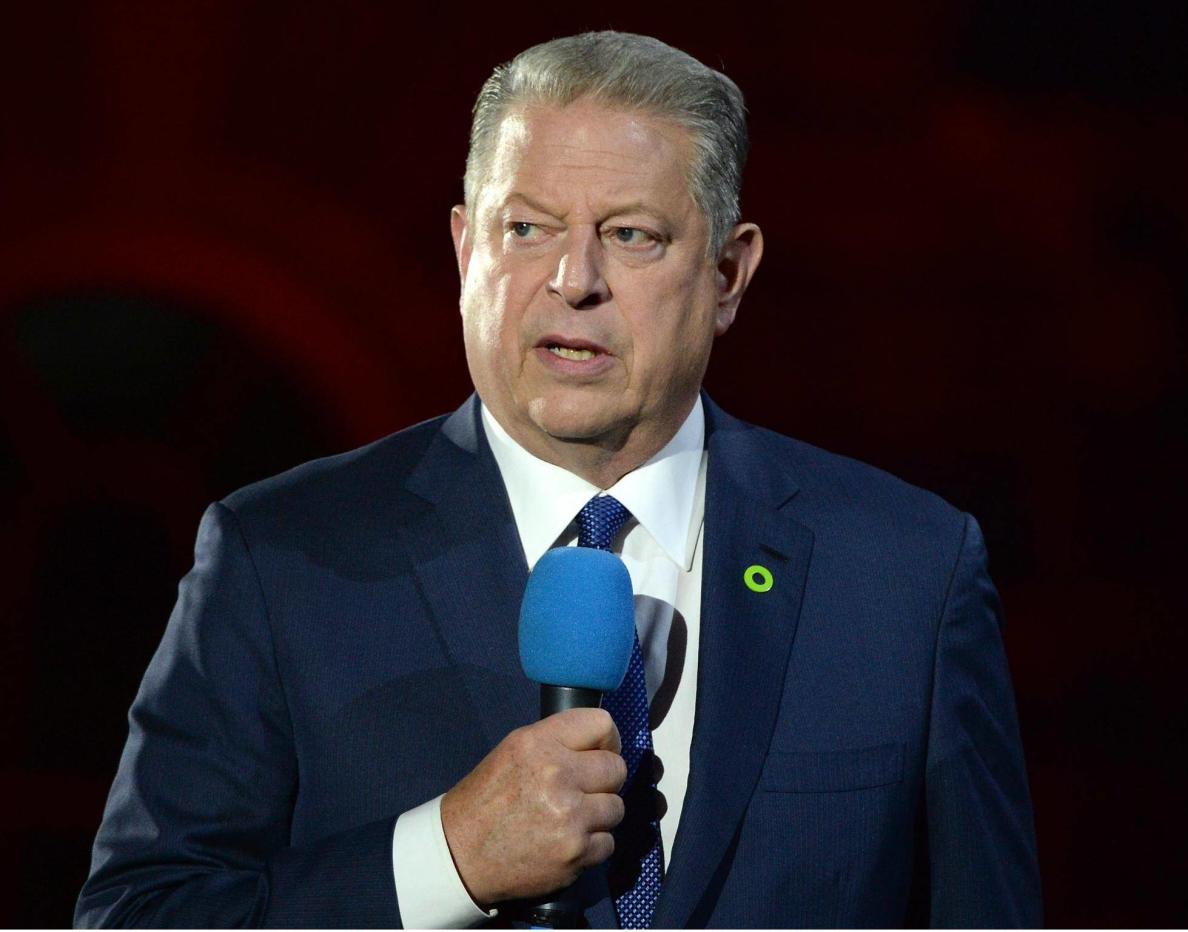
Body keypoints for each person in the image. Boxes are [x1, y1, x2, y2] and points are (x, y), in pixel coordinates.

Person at [75, 31, 1042, 928]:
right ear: (464, 251)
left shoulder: (906, 574)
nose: (572, 279)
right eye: (527, 228)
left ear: (728, 276)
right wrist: (443, 860)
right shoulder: (277, 558)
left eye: (632, 236)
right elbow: (137, 915)